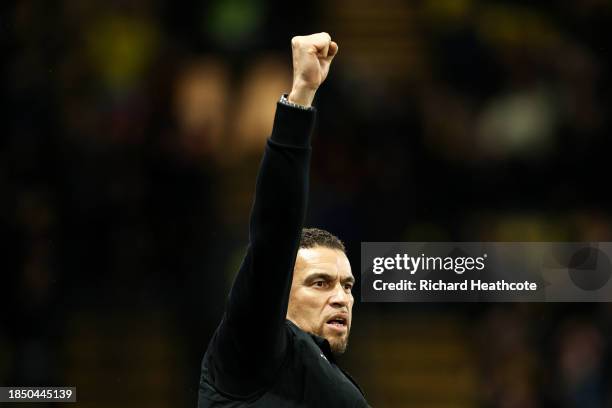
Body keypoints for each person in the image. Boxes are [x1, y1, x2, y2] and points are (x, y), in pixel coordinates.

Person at [198, 33, 368, 407]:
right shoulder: (252, 353)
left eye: (347, 286)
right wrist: (301, 97)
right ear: (278, 294)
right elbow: (275, 230)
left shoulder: (321, 373)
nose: (340, 298)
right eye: (320, 283)